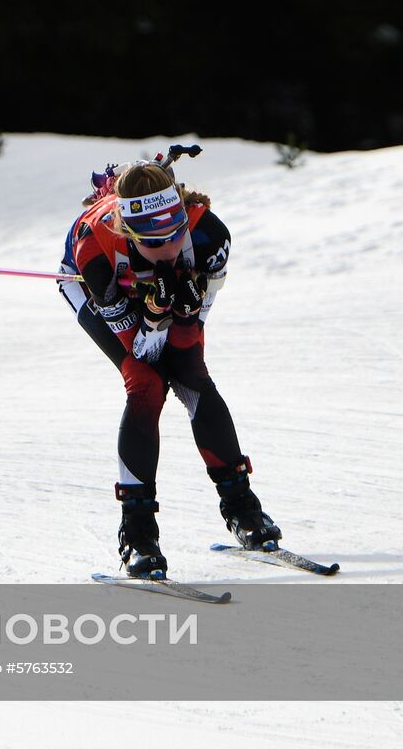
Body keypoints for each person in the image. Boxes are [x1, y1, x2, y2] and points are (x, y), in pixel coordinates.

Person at [59, 157, 281, 579]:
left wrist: (181, 311)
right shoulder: (98, 250)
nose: (168, 249)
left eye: (174, 234)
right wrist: (157, 313)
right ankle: (138, 534)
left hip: (153, 295)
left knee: (192, 374)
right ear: (128, 233)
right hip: (86, 285)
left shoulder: (208, 236)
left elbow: (187, 342)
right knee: (145, 384)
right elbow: (141, 351)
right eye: (153, 242)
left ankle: (242, 509)